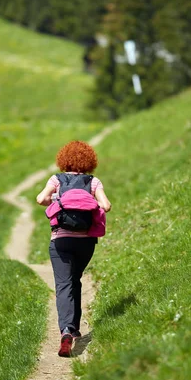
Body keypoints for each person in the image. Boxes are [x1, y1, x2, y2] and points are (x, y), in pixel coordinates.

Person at [36, 140, 111, 357]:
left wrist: (57, 200)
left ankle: (67, 331)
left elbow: (41, 198)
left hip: (60, 240)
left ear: (63, 159)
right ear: (90, 161)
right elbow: (106, 206)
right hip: (86, 241)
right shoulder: (93, 182)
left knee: (63, 284)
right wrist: (89, 204)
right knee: (75, 279)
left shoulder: (57, 179)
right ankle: (75, 328)